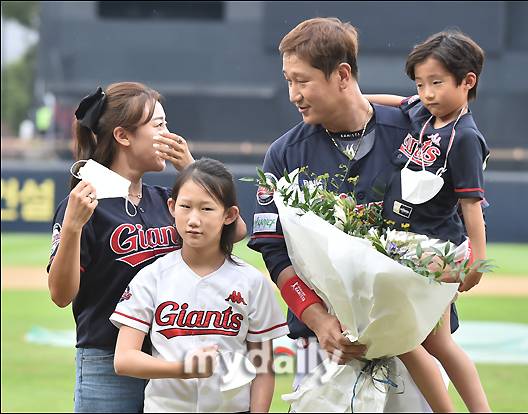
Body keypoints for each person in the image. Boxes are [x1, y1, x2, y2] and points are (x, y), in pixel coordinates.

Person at [247, 17, 447, 412]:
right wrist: (320, 321)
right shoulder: (283, 154)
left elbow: (452, 226)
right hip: (325, 346)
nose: (293, 94)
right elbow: (274, 252)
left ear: (342, 75)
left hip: (414, 342)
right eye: (288, 81)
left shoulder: (419, 134)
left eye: (302, 81)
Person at [47, 82, 247, 412]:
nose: (169, 135)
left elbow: (234, 230)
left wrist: (192, 170)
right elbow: (60, 294)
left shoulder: (163, 200)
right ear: (123, 136)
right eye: (159, 125)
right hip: (107, 363)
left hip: (169, 357)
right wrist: (71, 227)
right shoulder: (86, 203)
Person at [367, 31, 491, 412]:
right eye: (420, 84)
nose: (427, 93)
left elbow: (471, 205)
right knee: (433, 342)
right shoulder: (423, 112)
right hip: (404, 243)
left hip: (435, 248)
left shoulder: (464, 138)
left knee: (412, 338)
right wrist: (354, 100)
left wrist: (477, 262)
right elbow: (396, 102)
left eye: (436, 83)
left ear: (467, 81)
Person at [110, 158, 289, 412]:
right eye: (185, 206)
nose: (194, 219)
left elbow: (262, 368)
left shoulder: (251, 282)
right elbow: (124, 359)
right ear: (172, 207)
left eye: (206, 209)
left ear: (229, 215)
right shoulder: (152, 277)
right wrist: (183, 369)